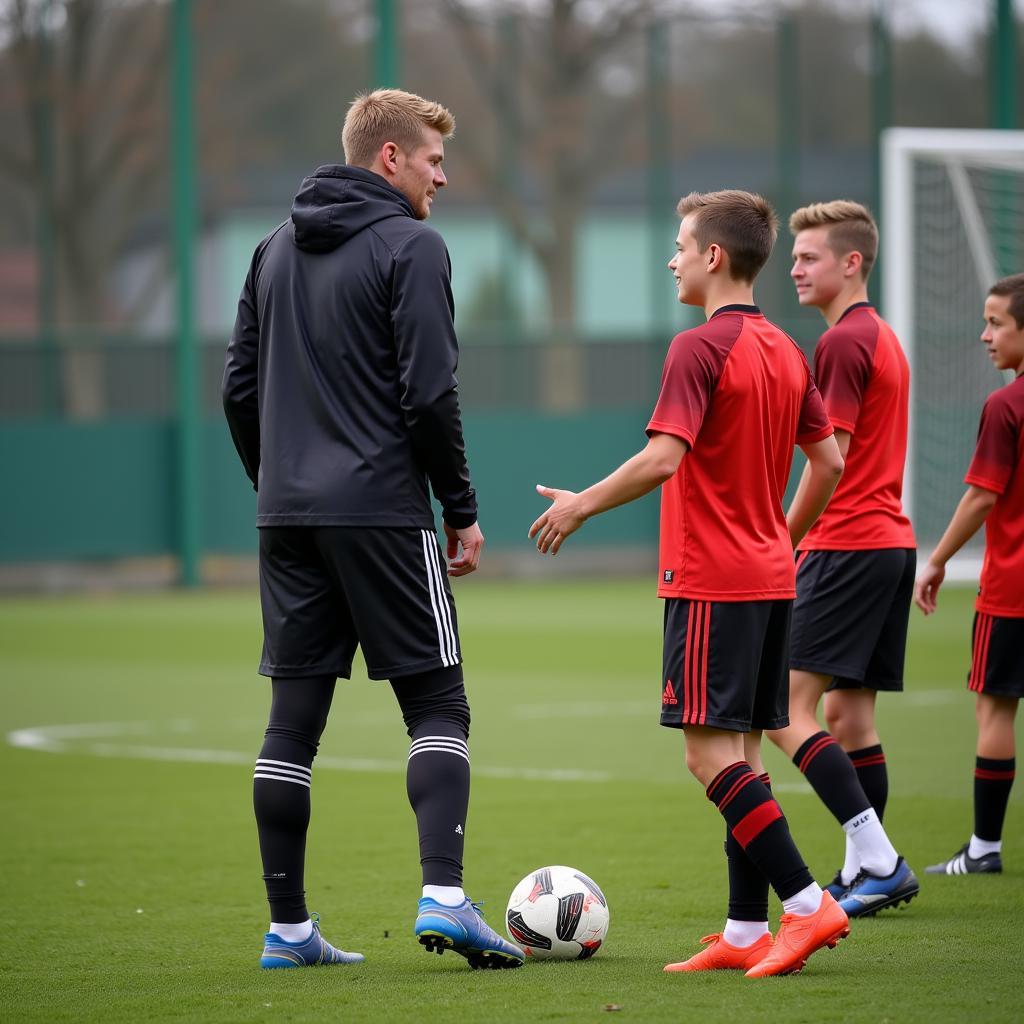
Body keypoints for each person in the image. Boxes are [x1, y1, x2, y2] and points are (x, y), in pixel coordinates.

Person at [222, 88, 523, 971]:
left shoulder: (272, 248)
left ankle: (287, 932)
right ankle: (445, 898)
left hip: (288, 517)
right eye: (434, 159)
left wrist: (280, 485)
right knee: (438, 705)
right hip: (384, 513)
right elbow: (429, 391)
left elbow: (239, 390)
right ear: (389, 157)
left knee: (293, 722)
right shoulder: (413, 246)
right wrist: (459, 509)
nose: (444, 176)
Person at [530, 190, 849, 977]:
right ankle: (745, 930)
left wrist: (581, 505)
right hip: (771, 578)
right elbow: (831, 462)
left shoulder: (697, 349)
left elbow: (663, 458)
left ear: (713, 257)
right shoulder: (785, 346)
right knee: (745, 753)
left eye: (680, 245)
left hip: (712, 580)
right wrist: (780, 536)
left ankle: (807, 907)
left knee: (709, 759)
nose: (671, 259)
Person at [764, 201, 919, 918]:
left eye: (809, 258)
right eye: (793, 258)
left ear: (851, 263)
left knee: (783, 709)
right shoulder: (880, 336)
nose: (794, 268)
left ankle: (879, 858)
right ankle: (865, 869)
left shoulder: (843, 345)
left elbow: (830, 460)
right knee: (848, 715)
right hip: (889, 543)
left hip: (849, 542)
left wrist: (782, 537)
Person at [915, 272, 1024, 876]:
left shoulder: (1006, 405)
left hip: (1013, 589)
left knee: (995, 712)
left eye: (997, 323)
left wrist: (936, 561)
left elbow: (983, 497)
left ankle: (983, 848)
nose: (985, 335)